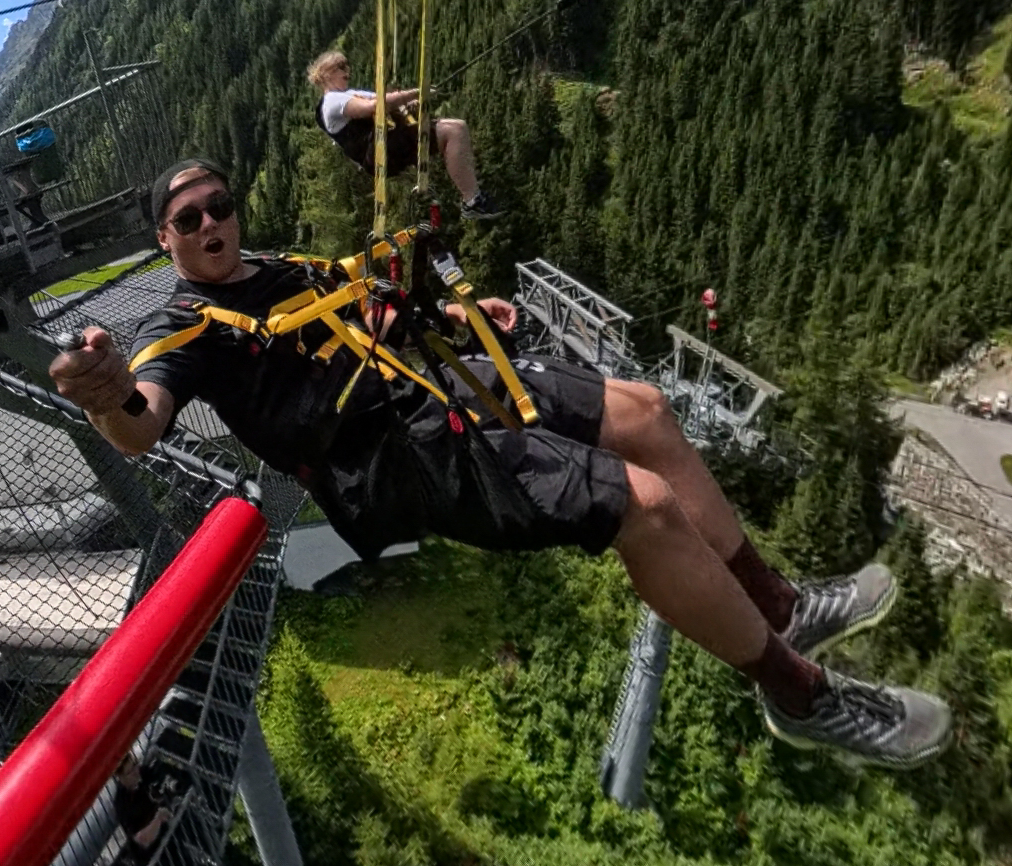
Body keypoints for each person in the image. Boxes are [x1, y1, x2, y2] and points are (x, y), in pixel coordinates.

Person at [48, 158, 954, 770]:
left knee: (646, 410)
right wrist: (107, 395)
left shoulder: (278, 266)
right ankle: (799, 693)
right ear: (165, 239)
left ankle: (779, 606)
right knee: (642, 504)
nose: (211, 222)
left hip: (425, 384)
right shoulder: (182, 329)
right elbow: (143, 423)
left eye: (219, 205)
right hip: (398, 458)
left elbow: (367, 312)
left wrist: (452, 312)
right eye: (189, 218)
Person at [306, 50, 505, 221]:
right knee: (454, 131)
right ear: (326, 74)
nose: (347, 71)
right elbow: (376, 106)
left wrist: (407, 103)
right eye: (341, 67)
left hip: (389, 143)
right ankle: (472, 200)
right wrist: (415, 93)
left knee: (457, 129)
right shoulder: (332, 101)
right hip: (380, 151)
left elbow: (385, 102)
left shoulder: (348, 95)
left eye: (347, 66)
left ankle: (473, 199)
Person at [110, 754, 172, 865]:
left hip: (170, 840)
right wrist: (158, 819)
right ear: (121, 778)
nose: (136, 771)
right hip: (152, 857)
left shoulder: (143, 773)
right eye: (130, 772)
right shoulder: (122, 804)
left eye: (135, 765)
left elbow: (160, 779)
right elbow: (142, 839)